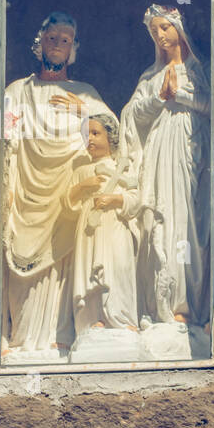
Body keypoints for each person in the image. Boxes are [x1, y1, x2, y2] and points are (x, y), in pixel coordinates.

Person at [1, 12, 110, 362]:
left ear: (73, 48)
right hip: (26, 198)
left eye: (65, 40)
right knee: (20, 265)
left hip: (69, 198)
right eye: (52, 38)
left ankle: (59, 339)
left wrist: (83, 111)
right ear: (40, 43)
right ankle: (21, 341)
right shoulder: (18, 91)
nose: (58, 45)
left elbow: (113, 138)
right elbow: (3, 138)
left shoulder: (86, 94)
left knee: (65, 264)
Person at [120, 4, 212, 354]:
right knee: (159, 221)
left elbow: (212, 104)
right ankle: (161, 309)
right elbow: (132, 116)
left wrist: (182, 95)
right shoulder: (151, 76)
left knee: (188, 222)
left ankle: (189, 308)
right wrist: (160, 97)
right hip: (159, 153)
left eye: (165, 27)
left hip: (191, 154)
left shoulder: (196, 71)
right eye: (155, 30)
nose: (160, 35)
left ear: (178, 30)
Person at [62, 113, 140, 353]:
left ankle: (121, 318)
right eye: (86, 135)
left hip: (115, 226)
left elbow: (136, 199)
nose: (90, 140)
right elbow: (67, 201)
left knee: (117, 268)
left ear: (111, 136)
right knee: (89, 274)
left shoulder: (122, 167)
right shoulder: (83, 170)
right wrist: (85, 185)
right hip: (89, 229)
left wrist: (115, 199)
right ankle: (94, 318)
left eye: (96, 133)